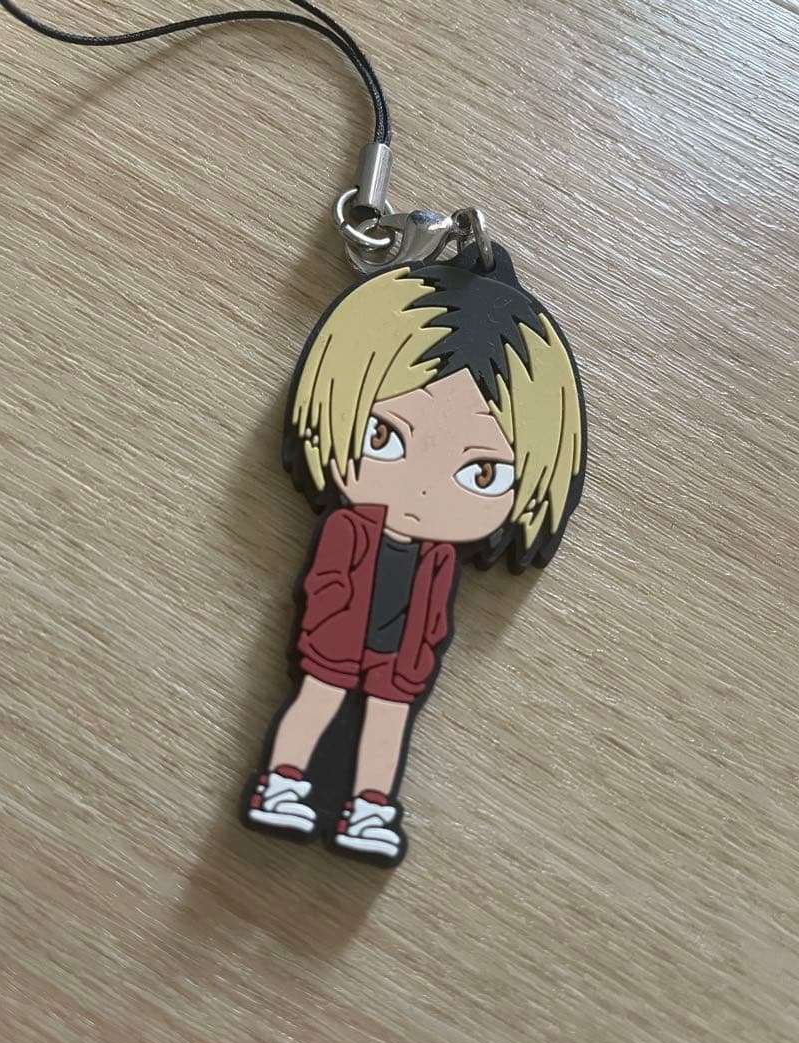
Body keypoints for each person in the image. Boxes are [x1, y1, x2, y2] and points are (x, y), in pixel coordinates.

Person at [243, 253, 586, 864]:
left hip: (400, 661)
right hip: (333, 642)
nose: (423, 489)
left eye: (482, 473)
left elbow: (433, 616)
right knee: (316, 702)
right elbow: (325, 581)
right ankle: (281, 782)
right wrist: (327, 631)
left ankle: (370, 807)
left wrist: (417, 657)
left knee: (388, 724)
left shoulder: (441, 560)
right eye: (384, 438)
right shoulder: (347, 526)